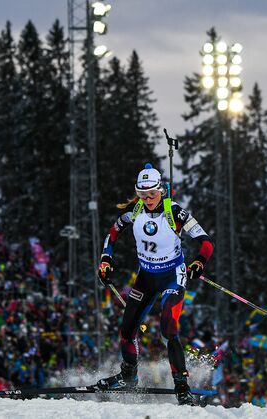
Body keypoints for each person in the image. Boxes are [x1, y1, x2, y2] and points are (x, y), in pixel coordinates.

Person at [96, 163, 213, 405]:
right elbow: (113, 233)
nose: (148, 199)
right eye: (142, 194)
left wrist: (199, 262)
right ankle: (129, 376)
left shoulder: (175, 212)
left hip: (173, 275)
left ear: (162, 190)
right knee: (127, 331)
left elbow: (205, 242)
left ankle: (182, 385)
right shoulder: (134, 210)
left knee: (168, 330)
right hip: (146, 277)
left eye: (152, 194)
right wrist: (105, 259)